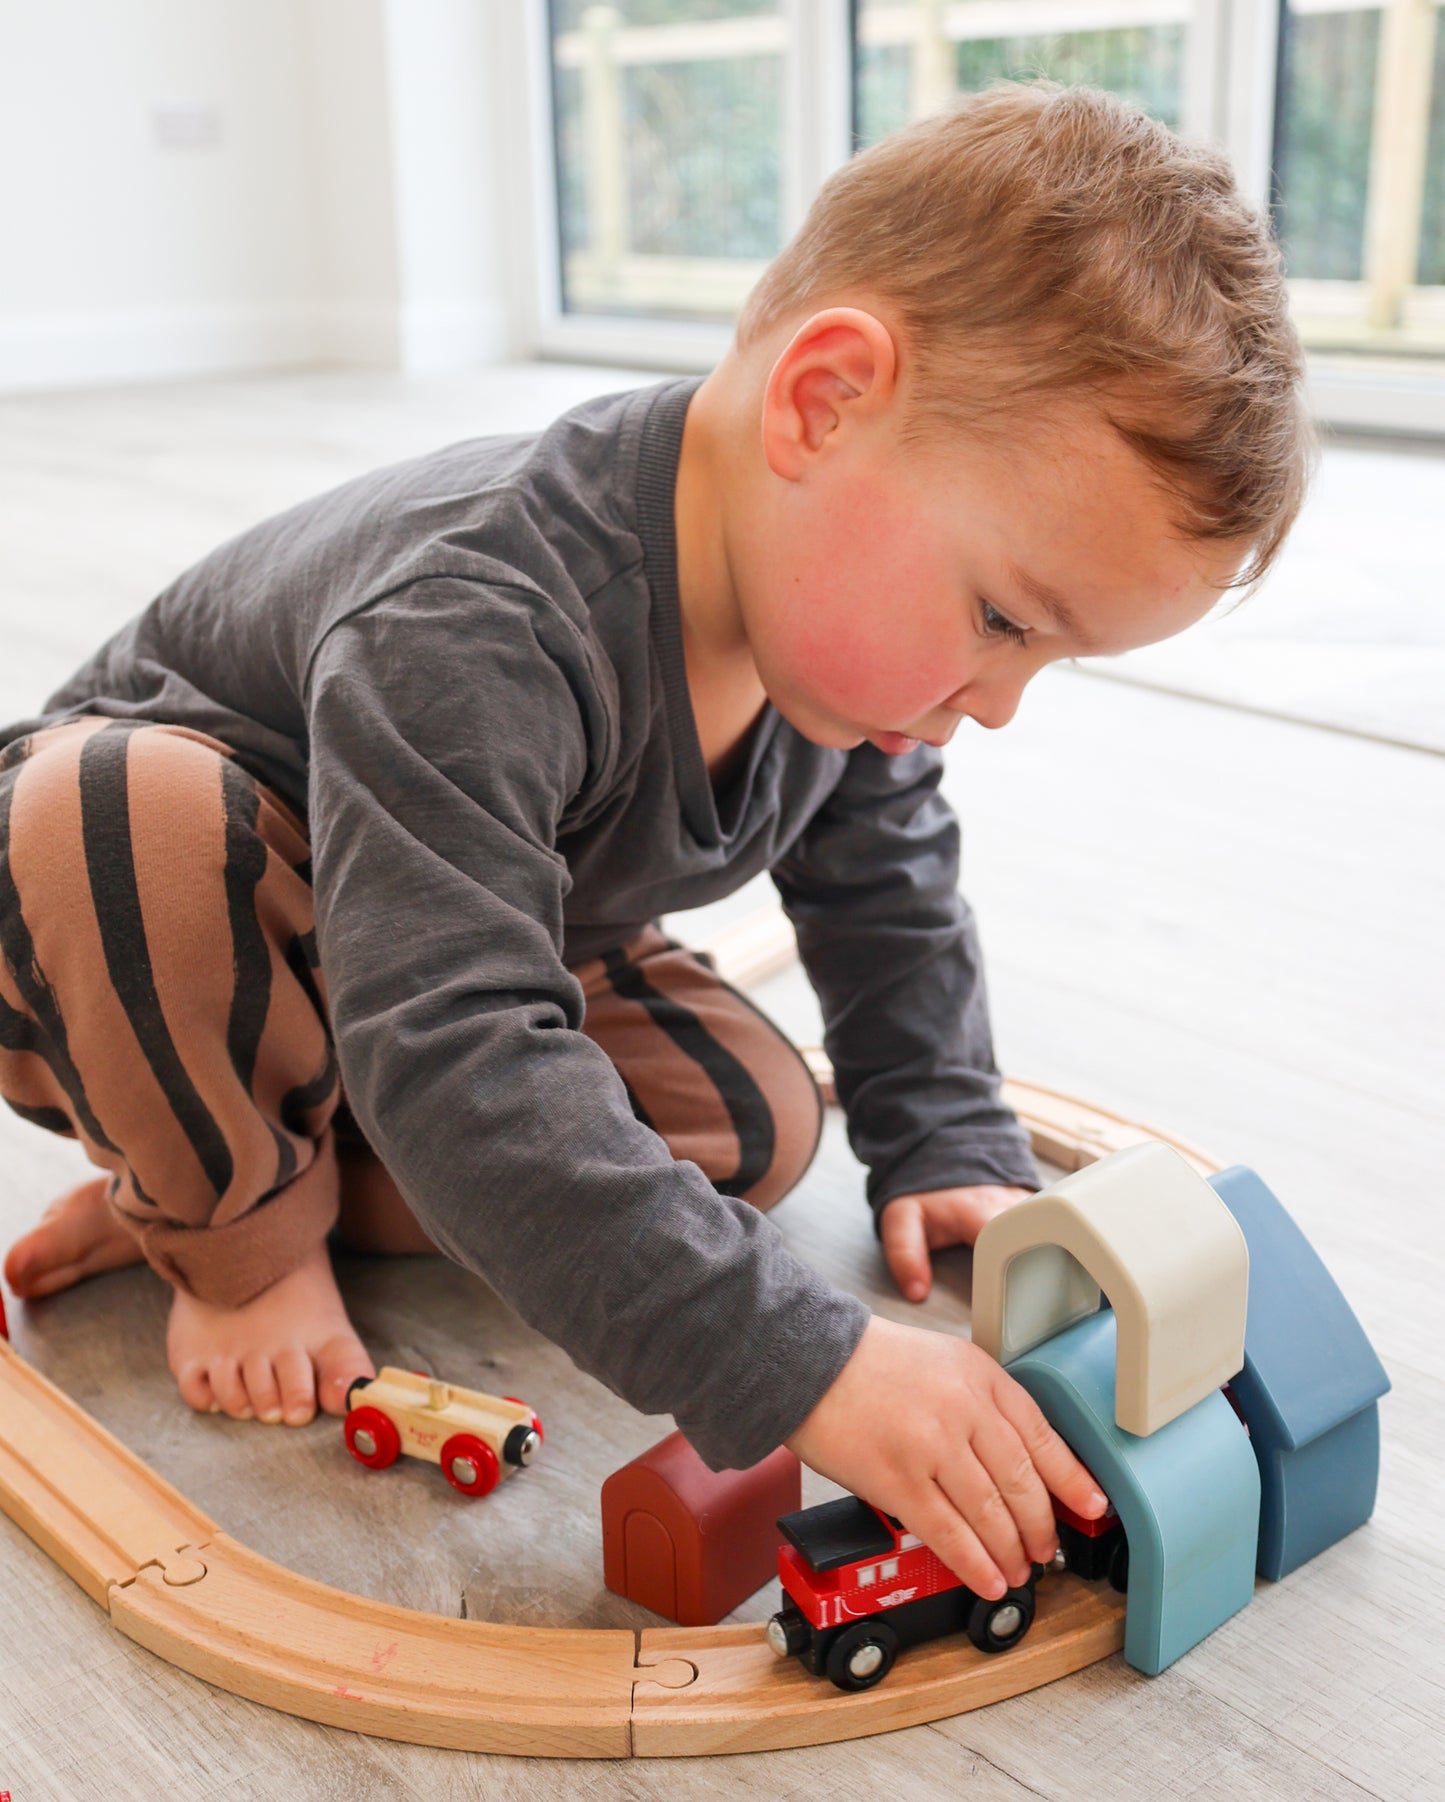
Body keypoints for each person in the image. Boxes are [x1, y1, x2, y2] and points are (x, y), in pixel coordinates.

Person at [0, 82, 1311, 1606]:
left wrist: (945, 1130)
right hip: (131, 926)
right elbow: (454, 1036)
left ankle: (242, 1151)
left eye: (1048, 659)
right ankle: (233, 1223)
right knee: (122, 822)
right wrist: (802, 1363)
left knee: (755, 1123)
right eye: (1002, 617)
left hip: (443, 943)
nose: (997, 705)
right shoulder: (478, 610)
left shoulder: (843, 673)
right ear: (822, 400)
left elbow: (882, 886)